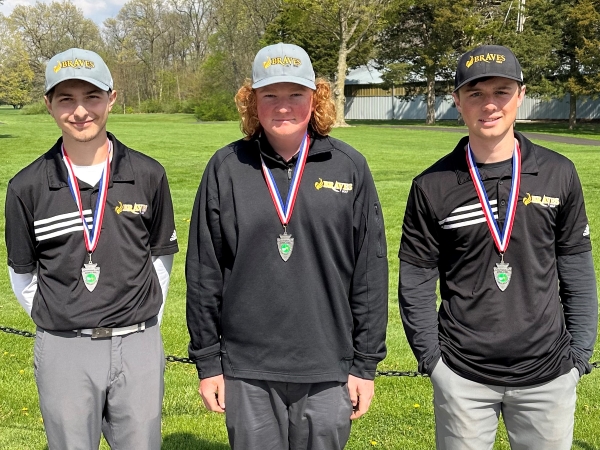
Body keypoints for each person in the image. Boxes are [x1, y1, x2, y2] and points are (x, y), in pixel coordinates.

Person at [186, 42, 388, 450]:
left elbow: (370, 271)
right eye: (270, 95)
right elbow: (205, 271)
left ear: (315, 98)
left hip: (328, 367)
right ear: (251, 101)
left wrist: (365, 365)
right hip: (247, 369)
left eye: (295, 94)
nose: (283, 106)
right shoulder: (226, 168)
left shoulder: (349, 166)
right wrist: (208, 362)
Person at [399, 44, 597, 450]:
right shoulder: (431, 186)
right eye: (475, 94)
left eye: (501, 92)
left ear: (520, 95)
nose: (489, 105)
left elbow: (576, 266)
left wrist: (579, 356)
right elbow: (416, 278)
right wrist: (433, 362)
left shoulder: (558, 173)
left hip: (549, 373)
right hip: (462, 375)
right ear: (457, 101)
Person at [5, 48, 178, 450]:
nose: (80, 111)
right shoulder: (26, 187)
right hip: (64, 347)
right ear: (48, 104)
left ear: (112, 99)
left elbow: (160, 258)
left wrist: (138, 318)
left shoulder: (148, 174)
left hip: (138, 344)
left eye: (92, 97)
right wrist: (65, 317)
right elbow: (22, 275)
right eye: (66, 98)